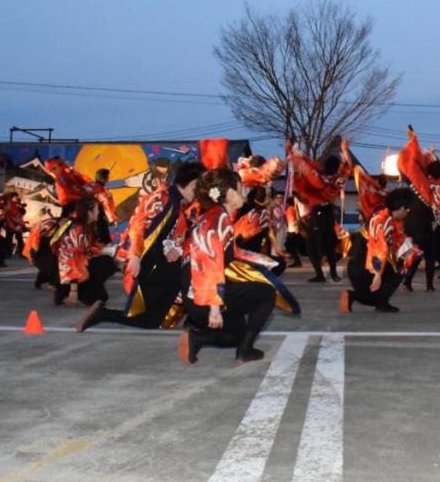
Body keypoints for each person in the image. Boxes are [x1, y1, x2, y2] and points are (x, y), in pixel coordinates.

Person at [77, 162, 204, 332]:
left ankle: (199, 323)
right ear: (193, 184)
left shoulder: (180, 204)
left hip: (166, 265)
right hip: (153, 266)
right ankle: (103, 314)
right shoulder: (161, 198)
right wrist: (134, 255)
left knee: (154, 318)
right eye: (202, 184)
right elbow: (138, 224)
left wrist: (174, 247)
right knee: (151, 317)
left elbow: (170, 234)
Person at [179, 169, 287, 364]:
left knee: (238, 333)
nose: (244, 193)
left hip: (193, 293)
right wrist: (214, 308)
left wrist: (263, 262)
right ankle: (245, 351)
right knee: (267, 293)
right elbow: (211, 265)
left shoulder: (215, 217)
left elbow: (224, 253)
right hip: (202, 296)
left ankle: (198, 338)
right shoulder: (218, 221)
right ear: (229, 194)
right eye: (240, 189)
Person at [341, 188, 419, 314]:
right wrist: (377, 275)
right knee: (401, 269)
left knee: (407, 257)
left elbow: (397, 246)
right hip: (364, 269)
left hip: (360, 266)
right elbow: (379, 250)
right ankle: (376, 302)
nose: (408, 211)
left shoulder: (386, 217)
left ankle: (355, 296)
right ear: (400, 208)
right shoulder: (384, 222)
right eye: (407, 208)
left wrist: (411, 251)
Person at [288, 139, 353, 283]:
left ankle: (319, 274)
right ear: (337, 167)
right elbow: (349, 165)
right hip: (329, 213)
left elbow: (307, 169)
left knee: (312, 246)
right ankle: (334, 274)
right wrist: (345, 149)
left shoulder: (320, 178)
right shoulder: (338, 179)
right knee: (329, 245)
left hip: (317, 214)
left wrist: (297, 155)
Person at [398, 128, 440, 292]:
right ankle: (429, 284)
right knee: (429, 256)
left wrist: (412, 140)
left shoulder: (420, 182)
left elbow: (409, 168)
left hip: (412, 224)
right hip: (429, 226)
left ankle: (406, 281)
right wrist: (432, 155)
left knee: (411, 254)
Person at [53, 197, 118, 307]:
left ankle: (78, 290)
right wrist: (74, 291)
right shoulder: (78, 229)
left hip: (79, 268)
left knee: (102, 297)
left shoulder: (86, 227)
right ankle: (66, 291)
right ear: (89, 212)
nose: (99, 213)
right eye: (97, 209)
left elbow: (90, 247)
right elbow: (73, 259)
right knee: (107, 263)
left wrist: (108, 249)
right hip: (70, 272)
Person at [23, 209, 61, 289]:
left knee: (50, 263)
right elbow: (37, 242)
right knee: (52, 264)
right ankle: (53, 283)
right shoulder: (52, 224)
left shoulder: (54, 223)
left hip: (40, 252)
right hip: (37, 252)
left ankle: (40, 281)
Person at [92, 169, 115, 244]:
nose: (108, 179)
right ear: (103, 179)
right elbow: (106, 205)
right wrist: (111, 218)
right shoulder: (100, 189)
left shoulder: (91, 186)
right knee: (105, 240)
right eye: (107, 177)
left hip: (89, 218)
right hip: (98, 217)